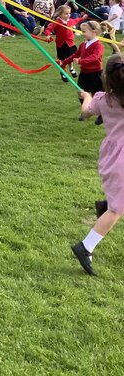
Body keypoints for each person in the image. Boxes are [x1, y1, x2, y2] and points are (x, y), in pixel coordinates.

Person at [73, 54, 124, 276]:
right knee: (117, 210)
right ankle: (86, 247)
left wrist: (86, 96)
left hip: (112, 154)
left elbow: (85, 113)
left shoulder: (103, 99)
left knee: (117, 200)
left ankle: (106, 204)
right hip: (121, 159)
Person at [60, 21, 104, 101]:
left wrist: (81, 61)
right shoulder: (83, 44)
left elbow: (95, 57)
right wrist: (64, 63)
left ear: (93, 31)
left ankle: (100, 112)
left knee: (97, 95)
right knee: (81, 92)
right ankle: (85, 110)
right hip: (84, 73)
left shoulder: (98, 45)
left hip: (95, 74)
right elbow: (75, 55)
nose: (82, 33)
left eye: (84, 31)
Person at [45, 5, 84, 82]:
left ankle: (71, 68)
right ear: (60, 14)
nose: (68, 15)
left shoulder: (71, 21)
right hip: (61, 44)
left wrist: (84, 17)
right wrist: (47, 35)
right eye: (66, 13)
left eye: (69, 13)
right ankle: (63, 71)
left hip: (70, 43)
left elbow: (77, 20)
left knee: (71, 57)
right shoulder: (57, 22)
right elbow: (49, 28)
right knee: (62, 59)